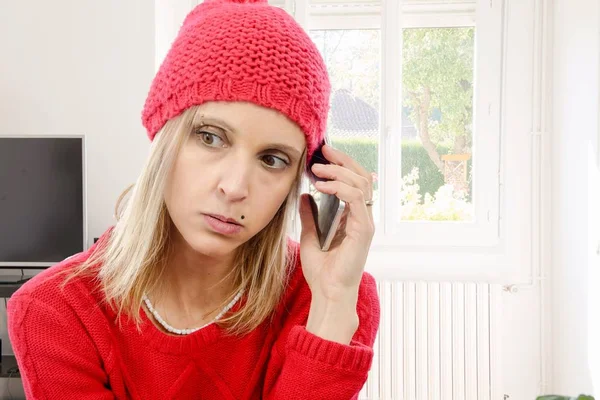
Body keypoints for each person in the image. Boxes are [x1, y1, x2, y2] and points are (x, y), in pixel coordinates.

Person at [7, 0, 381, 398]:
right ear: (165, 136)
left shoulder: (333, 299)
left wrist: (333, 305)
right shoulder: (56, 310)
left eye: (272, 159)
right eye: (211, 137)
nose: (235, 187)